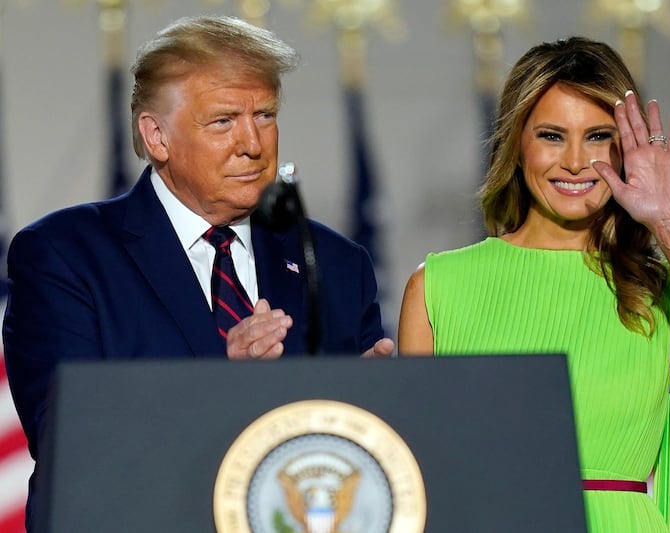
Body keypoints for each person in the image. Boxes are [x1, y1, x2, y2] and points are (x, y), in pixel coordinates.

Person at [2, 15, 393, 529]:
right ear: (157, 135)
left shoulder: (335, 264)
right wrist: (222, 386)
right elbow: (71, 442)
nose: (253, 143)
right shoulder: (66, 256)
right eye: (224, 121)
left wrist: (374, 403)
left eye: (266, 115)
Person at [398, 36, 670, 532]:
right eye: (551, 135)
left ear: (626, 147)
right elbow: (415, 470)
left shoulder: (658, 284)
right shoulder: (437, 285)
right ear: (516, 143)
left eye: (597, 137)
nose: (574, 161)